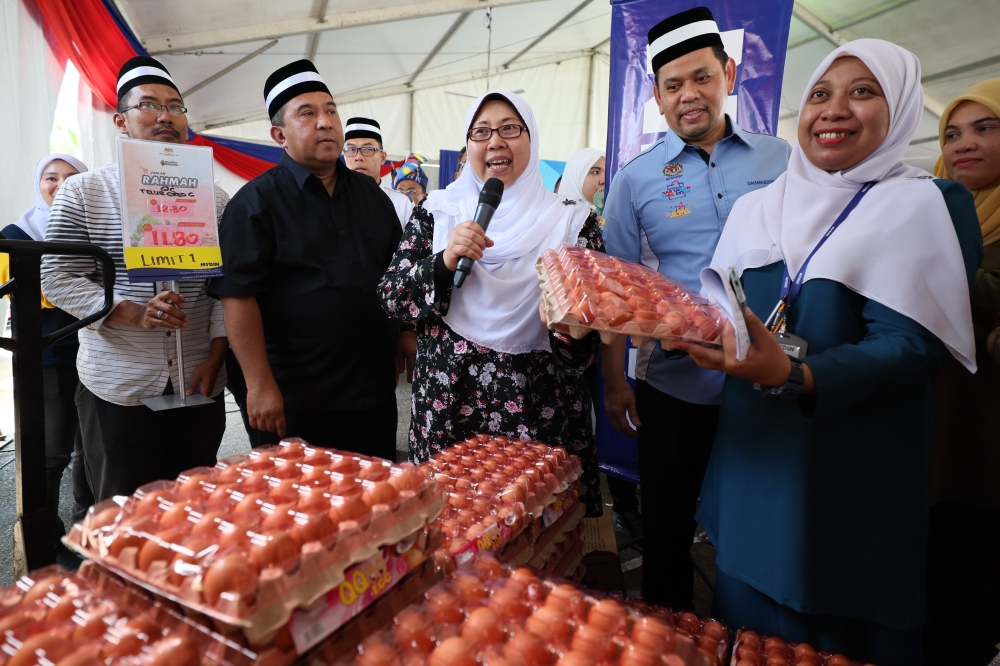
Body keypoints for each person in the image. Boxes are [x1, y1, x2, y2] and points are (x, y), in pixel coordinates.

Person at [670, 40, 981, 665]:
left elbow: (911, 345)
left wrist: (796, 374)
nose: (834, 109)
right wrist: (672, 326)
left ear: (901, 108)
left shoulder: (929, 203)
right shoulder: (760, 207)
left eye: (863, 92)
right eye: (820, 94)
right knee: (748, 636)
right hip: (754, 460)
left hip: (847, 475)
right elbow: (723, 315)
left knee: (834, 637)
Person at [600, 6, 791, 610]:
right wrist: (615, 382)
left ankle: (752, 639)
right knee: (666, 531)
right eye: (673, 84)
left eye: (702, 77)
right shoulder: (634, 180)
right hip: (675, 385)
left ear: (728, 75)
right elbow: (615, 290)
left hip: (768, 382)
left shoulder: (783, 161)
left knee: (761, 526)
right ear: (656, 98)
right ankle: (667, 637)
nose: (689, 95)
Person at [378, 90, 605, 516]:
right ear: (469, 145)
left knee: (535, 540)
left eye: (509, 129)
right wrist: (444, 261)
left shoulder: (572, 222)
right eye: (481, 132)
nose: (495, 141)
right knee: (453, 541)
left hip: (540, 416)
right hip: (450, 417)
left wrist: (571, 333)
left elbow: (585, 352)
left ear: (531, 138)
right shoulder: (438, 213)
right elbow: (392, 299)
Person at [41, 57, 229, 503]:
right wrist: (130, 312)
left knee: (193, 509)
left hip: (199, 379)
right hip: (119, 385)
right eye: (149, 105)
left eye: (176, 107)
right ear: (121, 121)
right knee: (123, 511)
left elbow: (225, 289)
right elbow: (57, 276)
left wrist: (216, 356)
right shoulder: (84, 191)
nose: (166, 116)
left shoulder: (215, 198)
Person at [209, 60, 404, 459]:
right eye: (307, 113)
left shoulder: (372, 196)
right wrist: (258, 384)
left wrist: (405, 333)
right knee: (301, 497)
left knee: (376, 494)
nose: (325, 122)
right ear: (279, 134)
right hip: (296, 397)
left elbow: (396, 274)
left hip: (373, 392)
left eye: (331, 110)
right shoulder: (254, 205)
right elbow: (238, 297)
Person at [924, 78, 1000, 665]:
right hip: (928, 436)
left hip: (981, 450)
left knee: (966, 600)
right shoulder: (932, 214)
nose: (963, 144)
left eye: (985, 128)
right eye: (952, 134)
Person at [2, 153, 93, 566]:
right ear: (39, 185)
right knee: (51, 453)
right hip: (48, 357)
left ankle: (86, 532)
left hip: (98, 353)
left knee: (90, 450)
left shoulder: (97, 228)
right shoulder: (15, 234)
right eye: (51, 178)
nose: (60, 185)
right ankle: (45, 543)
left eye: (71, 177)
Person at [344, 116, 414, 228]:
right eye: (351, 149)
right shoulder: (333, 200)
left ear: (382, 157)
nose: (358, 157)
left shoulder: (401, 203)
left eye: (368, 149)